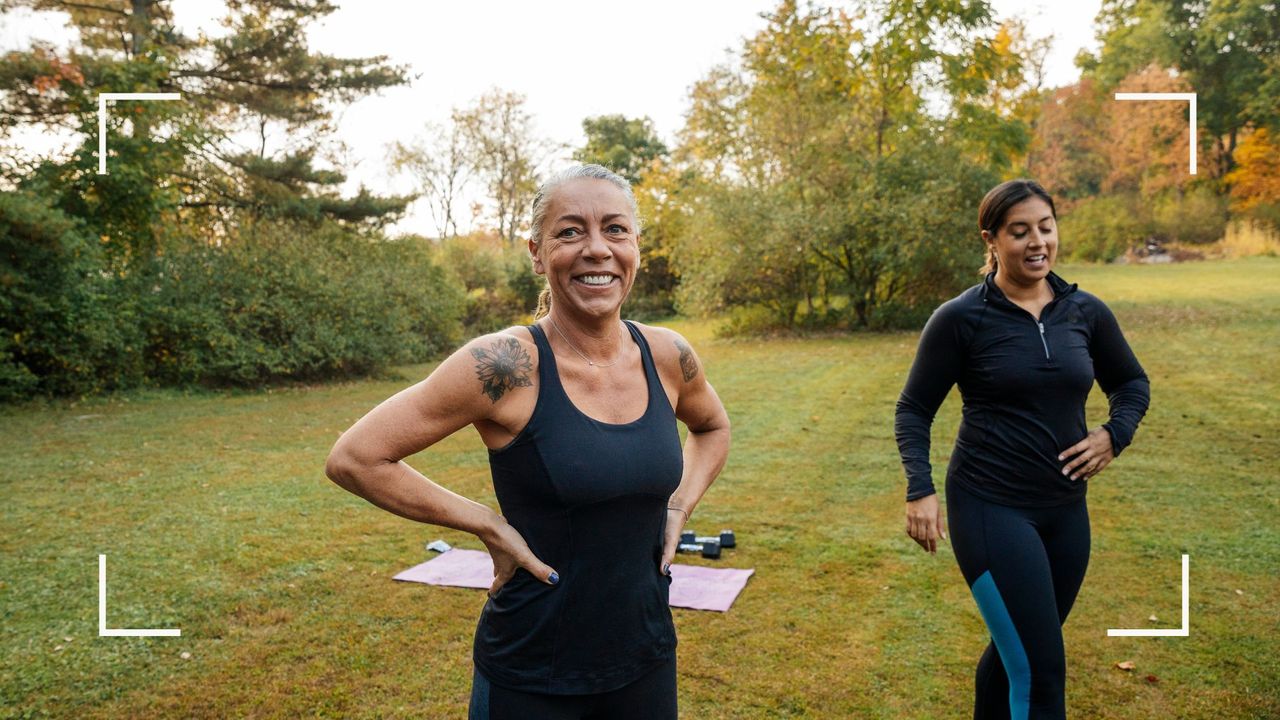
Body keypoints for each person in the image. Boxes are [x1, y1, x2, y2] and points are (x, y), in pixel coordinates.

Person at [324, 163, 731, 720]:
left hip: (646, 660)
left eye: (615, 229)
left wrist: (679, 505)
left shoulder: (667, 356)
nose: (596, 249)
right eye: (570, 232)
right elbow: (356, 458)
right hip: (532, 672)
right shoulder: (504, 364)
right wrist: (485, 524)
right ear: (537, 253)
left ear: (636, 245)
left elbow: (712, 427)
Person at [894, 179, 1150, 719]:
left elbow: (1131, 383)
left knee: (1016, 656)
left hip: (1065, 512)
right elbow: (914, 408)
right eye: (1020, 232)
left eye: (1046, 227)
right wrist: (920, 489)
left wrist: (1113, 434)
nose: (1037, 242)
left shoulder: (1084, 312)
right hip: (990, 508)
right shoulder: (962, 319)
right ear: (991, 240)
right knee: (1040, 672)